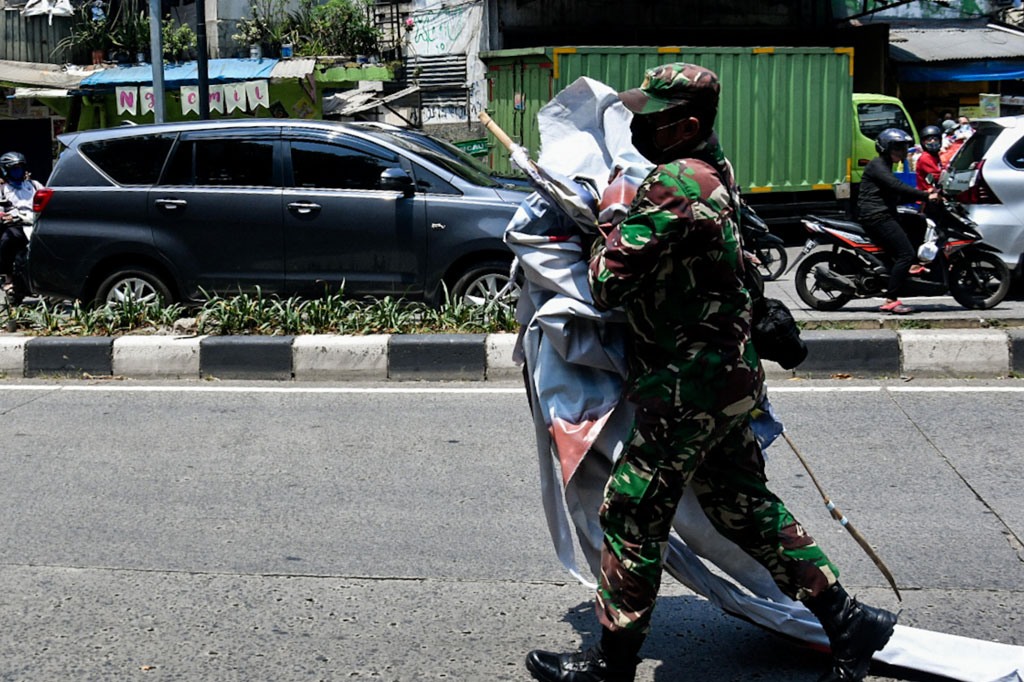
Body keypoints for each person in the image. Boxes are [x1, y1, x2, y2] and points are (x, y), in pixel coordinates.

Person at [525, 62, 897, 682]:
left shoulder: (674, 185)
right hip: (725, 379)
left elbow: (607, 282)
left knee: (631, 512)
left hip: (686, 385)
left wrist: (610, 214)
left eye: (652, 119)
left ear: (687, 125)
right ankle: (848, 620)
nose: (637, 126)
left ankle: (611, 665)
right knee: (740, 505)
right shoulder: (714, 171)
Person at [857, 128, 938, 315]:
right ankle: (891, 299)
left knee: (918, 222)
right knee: (905, 254)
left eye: (903, 148)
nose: (901, 152)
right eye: (897, 148)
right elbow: (896, 186)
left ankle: (913, 266)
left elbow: (892, 194)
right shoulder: (877, 165)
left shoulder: (885, 164)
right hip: (876, 216)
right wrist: (926, 196)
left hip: (884, 211)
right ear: (885, 148)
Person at [0, 151, 41, 295]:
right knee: (7, 239)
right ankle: (8, 278)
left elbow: (47, 198)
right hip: (17, 226)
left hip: (36, 224)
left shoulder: (33, 185)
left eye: (19, 167)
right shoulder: (3, 189)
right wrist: (5, 216)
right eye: (13, 168)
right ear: (6, 170)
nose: (17, 171)